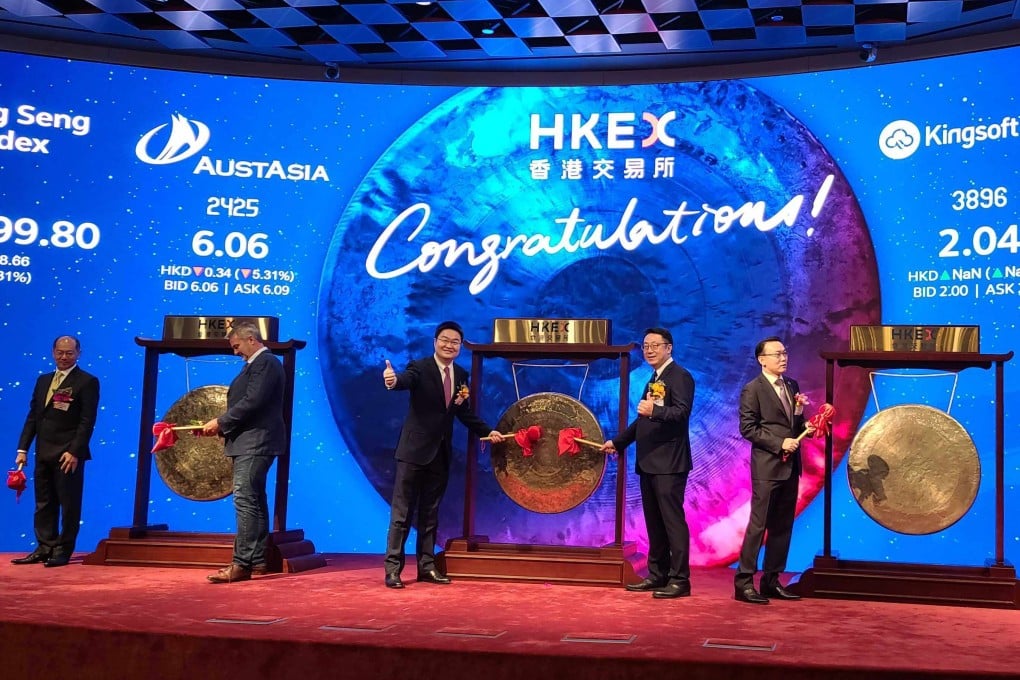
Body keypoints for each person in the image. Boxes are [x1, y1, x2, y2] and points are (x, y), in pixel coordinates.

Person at [381, 321, 504, 589]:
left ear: (460, 346)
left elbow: (463, 412)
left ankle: (427, 567)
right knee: (402, 514)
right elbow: (404, 380)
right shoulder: (420, 367)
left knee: (430, 513)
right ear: (435, 342)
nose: (449, 345)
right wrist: (393, 380)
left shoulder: (460, 374)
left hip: (440, 453)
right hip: (413, 452)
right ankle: (393, 569)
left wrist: (487, 432)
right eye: (445, 340)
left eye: (455, 342)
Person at [602, 327, 695, 599]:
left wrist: (655, 410)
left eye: (655, 345)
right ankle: (657, 574)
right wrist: (618, 442)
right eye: (646, 346)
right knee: (654, 522)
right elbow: (643, 421)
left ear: (669, 348)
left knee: (672, 522)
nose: (650, 350)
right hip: (649, 461)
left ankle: (680, 579)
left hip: (670, 462)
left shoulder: (680, 376)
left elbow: (681, 413)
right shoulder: (654, 378)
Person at [202, 322, 286, 583]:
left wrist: (222, 422)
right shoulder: (255, 364)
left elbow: (253, 401)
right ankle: (257, 560)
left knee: (245, 500)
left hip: (256, 442)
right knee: (254, 500)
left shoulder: (266, 362)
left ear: (251, 339)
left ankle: (242, 564)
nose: (235, 351)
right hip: (249, 441)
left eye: (237, 346)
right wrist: (223, 428)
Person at [733, 336, 814, 604]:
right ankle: (744, 582)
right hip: (767, 467)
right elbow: (748, 429)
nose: (783, 358)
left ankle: (771, 580)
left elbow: (794, 423)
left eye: (784, 353)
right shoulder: (752, 389)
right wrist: (780, 444)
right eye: (777, 354)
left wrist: (805, 426)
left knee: (782, 525)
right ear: (762, 360)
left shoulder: (791, 385)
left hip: (791, 466)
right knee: (758, 526)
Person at [12, 335, 100, 568]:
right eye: (60, 352)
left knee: (68, 504)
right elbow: (34, 417)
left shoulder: (87, 381)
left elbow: (87, 421)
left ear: (78, 353)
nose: (64, 357)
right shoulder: (43, 381)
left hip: (67, 455)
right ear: (53, 353)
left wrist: (75, 451)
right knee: (43, 502)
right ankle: (44, 547)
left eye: (69, 353)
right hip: (43, 452)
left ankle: (63, 550)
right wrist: (23, 449)